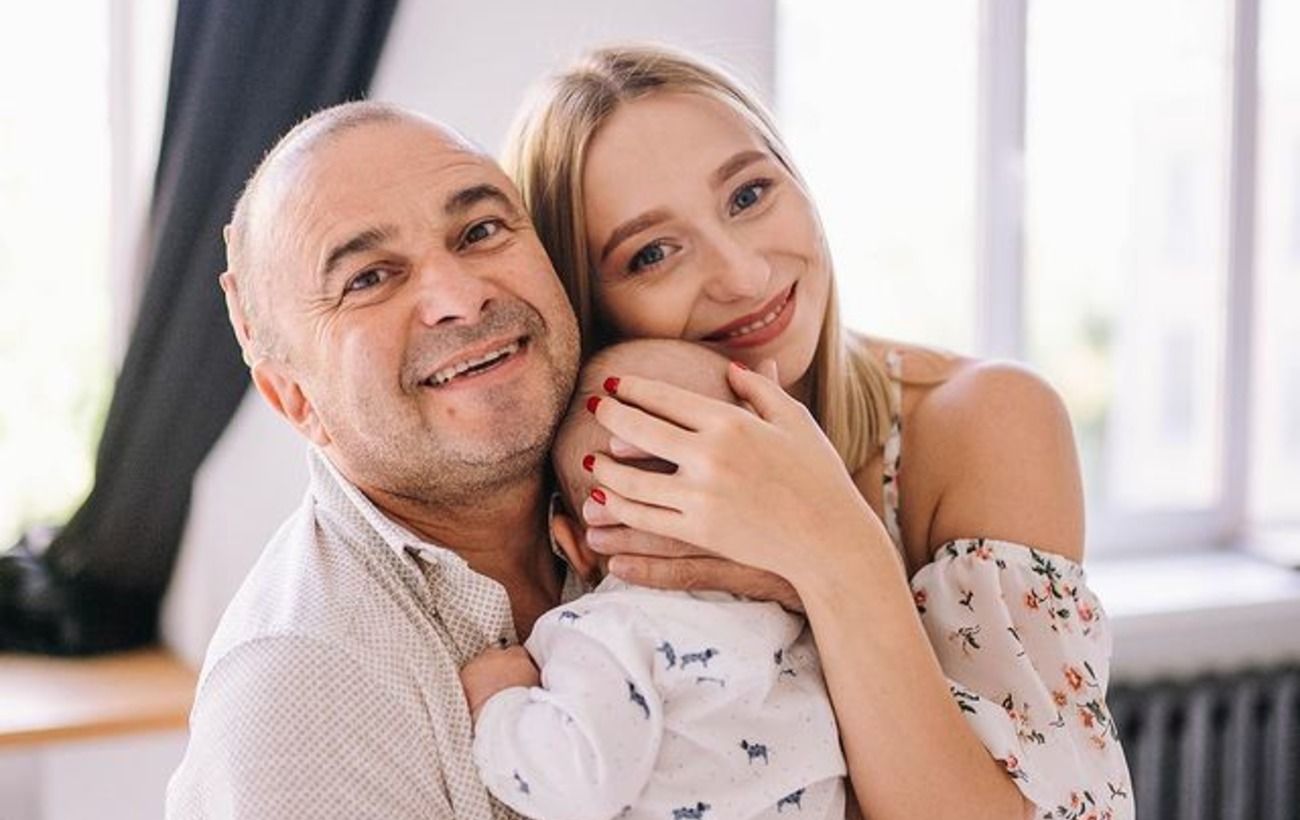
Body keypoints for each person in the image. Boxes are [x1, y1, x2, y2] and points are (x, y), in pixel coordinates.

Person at [504, 44, 1134, 820]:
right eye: (653, 253)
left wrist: (836, 556)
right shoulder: (592, 490)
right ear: (585, 302)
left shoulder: (984, 421)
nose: (743, 275)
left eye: (749, 194)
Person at [166, 102, 584, 818]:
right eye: (367, 279)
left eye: (480, 231)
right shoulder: (302, 688)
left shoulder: (676, 487)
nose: (460, 298)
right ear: (295, 398)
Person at [463, 338, 847, 820]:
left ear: (574, 542)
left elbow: (577, 784)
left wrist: (499, 703)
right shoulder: (807, 614)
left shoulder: (612, 628)